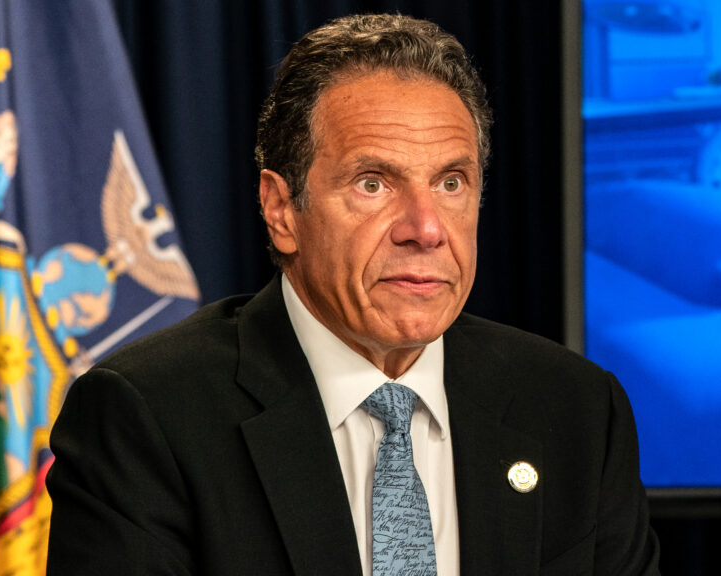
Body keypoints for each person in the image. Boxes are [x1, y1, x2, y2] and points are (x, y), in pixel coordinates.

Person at [45, 13, 660, 576]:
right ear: (281, 208)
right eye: (373, 184)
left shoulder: (576, 411)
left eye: (451, 182)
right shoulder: (148, 416)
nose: (425, 228)